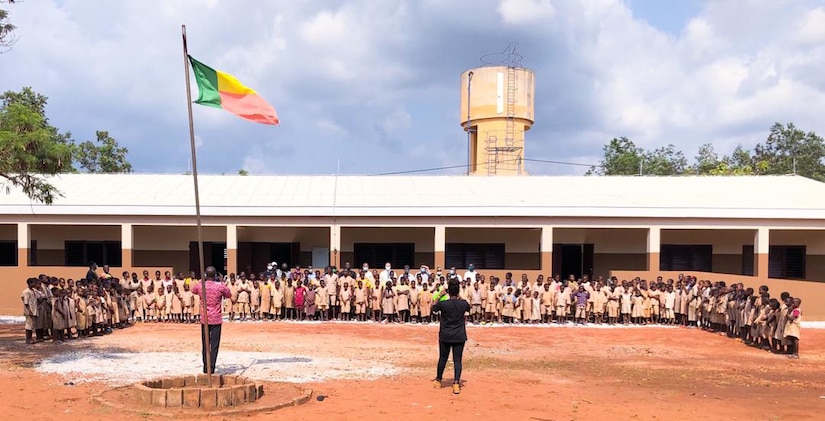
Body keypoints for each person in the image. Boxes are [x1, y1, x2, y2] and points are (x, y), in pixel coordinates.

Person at [432, 278, 470, 395]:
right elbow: (469, 307)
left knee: (443, 358)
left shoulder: (443, 304)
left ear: (448, 290)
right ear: (458, 290)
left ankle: (438, 380)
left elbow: (433, 308)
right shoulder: (463, 303)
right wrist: (459, 296)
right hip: (459, 335)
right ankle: (456, 383)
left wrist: (439, 295)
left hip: (445, 335)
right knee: (457, 360)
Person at [191, 267, 231, 374]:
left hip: (205, 318)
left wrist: (202, 280)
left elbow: (193, 290)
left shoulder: (201, 286)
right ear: (215, 275)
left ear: (205, 275)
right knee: (214, 345)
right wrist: (222, 282)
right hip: (216, 318)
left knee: (205, 344)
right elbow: (229, 294)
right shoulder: (219, 287)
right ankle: (212, 367)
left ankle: (205, 367)